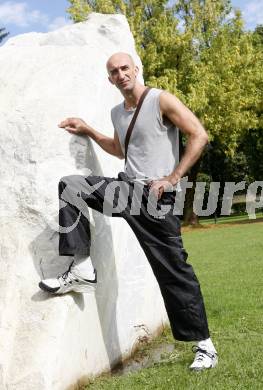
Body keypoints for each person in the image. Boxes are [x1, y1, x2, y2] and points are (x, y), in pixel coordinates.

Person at [39, 52, 218, 371]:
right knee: (72, 186)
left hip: (157, 199)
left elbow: (199, 135)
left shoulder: (162, 100)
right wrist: (90, 130)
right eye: (114, 71)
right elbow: (121, 150)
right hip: (128, 189)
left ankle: (204, 345)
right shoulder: (117, 112)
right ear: (109, 79)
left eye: (125, 68)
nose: (120, 74)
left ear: (137, 70)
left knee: (174, 271)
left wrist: (172, 177)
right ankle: (81, 268)